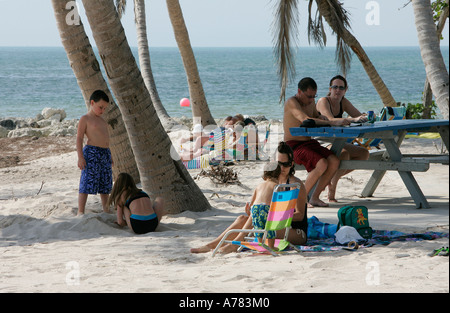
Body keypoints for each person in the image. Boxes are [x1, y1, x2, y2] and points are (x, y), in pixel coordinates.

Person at [190, 141, 308, 254]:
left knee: (260, 221)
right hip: (273, 224)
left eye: (286, 164)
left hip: (294, 231)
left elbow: (299, 215)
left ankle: (235, 244)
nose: (282, 168)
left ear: (292, 164)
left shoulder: (295, 185)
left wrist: (273, 216)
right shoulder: (269, 183)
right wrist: (256, 212)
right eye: (278, 164)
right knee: (242, 218)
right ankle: (212, 245)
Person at [283, 77, 349, 207]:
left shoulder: (311, 102)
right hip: (293, 145)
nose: (312, 99)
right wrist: (332, 121)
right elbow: (306, 120)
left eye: (314, 96)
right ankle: (300, 199)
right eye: (309, 96)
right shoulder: (292, 102)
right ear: (299, 91)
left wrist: (322, 118)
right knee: (322, 163)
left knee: (334, 161)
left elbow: (316, 116)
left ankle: (314, 197)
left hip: (308, 143)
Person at [316, 75, 370, 202]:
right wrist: (352, 120)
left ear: (345, 90)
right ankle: (331, 192)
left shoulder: (343, 102)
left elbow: (359, 116)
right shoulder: (323, 101)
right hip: (321, 140)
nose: (338, 90)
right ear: (330, 89)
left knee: (364, 153)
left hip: (338, 141)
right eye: (335, 87)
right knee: (343, 154)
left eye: (341, 87)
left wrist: (368, 116)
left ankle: (329, 178)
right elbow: (330, 120)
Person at [77, 90, 112, 215]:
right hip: (92, 152)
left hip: (105, 153)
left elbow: (106, 138)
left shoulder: (102, 120)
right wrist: (80, 157)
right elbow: (79, 138)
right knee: (86, 181)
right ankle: (81, 211)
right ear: (92, 103)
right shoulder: (85, 119)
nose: (102, 110)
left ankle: (106, 209)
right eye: (100, 107)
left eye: (104, 108)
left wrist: (110, 155)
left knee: (105, 183)